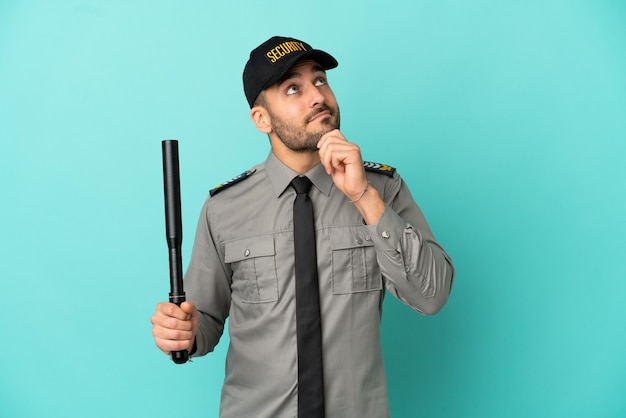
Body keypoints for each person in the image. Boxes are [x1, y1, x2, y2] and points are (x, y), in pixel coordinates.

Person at [151, 35, 455, 418]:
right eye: (293, 88)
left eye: (320, 80)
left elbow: (432, 295)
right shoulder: (223, 208)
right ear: (262, 119)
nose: (317, 96)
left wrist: (363, 196)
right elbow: (206, 320)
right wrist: (185, 333)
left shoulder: (383, 189)